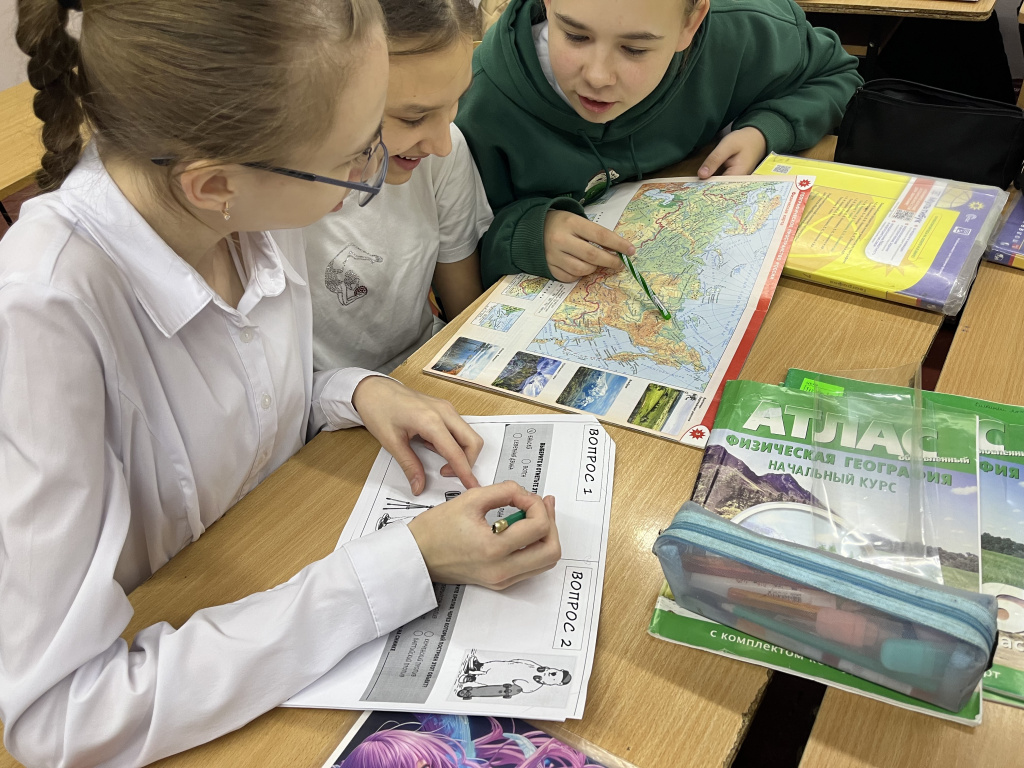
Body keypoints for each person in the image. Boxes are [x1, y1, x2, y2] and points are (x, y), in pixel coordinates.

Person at [0, 1, 560, 765]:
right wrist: (407, 563)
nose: (372, 175)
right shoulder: (42, 315)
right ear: (213, 185)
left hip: (263, 565)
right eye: (355, 154)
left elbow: (247, 406)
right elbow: (61, 719)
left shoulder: (245, 211)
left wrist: (354, 391)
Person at [455, 0, 863, 286]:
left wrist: (765, 130)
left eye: (635, 49)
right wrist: (527, 234)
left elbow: (838, 76)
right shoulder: (479, 102)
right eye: (575, 36)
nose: (598, 76)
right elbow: (457, 256)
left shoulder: (747, 27)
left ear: (692, 22)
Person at [304, 0, 491, 375]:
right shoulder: (282, 198)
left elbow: (465, 315)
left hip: (422, 368)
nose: (441, 145)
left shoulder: (444, 154)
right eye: (413, 118)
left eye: (455, 101)